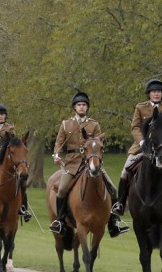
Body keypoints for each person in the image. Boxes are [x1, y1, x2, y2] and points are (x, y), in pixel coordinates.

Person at [50, 92, 127, 237]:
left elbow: (98, 143)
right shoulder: (66, 124)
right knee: (61, 190)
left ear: (87, 108)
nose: (81, 107)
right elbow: (59, 142)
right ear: (74, 107)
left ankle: (113, 223)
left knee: (113, 189)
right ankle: (60, 222)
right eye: (79, 105)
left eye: (84, 105)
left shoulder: (94, 124)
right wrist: (56, 155)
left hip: (91, 161)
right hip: (72, 162)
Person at [112, 79, 162, 219]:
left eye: (159, 92)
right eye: (154, 92)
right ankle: (120, 203)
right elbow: (135, 127)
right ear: (149, 94)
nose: (156, 94)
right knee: (125, 171)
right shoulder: (140, 108)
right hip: (142, 148)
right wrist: (142, 141)